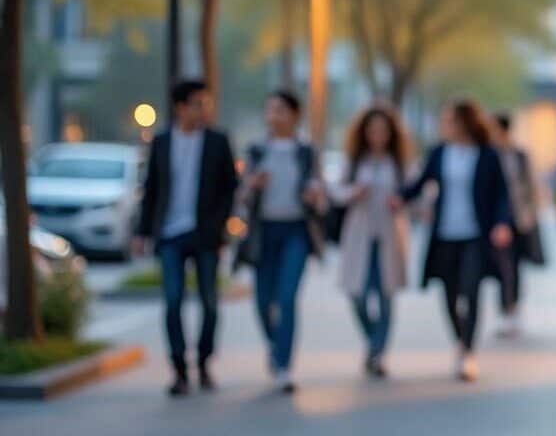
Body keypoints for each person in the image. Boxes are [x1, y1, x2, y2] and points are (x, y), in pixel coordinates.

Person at [134, 80, 239, 397]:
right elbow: (151, 189)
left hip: (205, 235)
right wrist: (142, 231)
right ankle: (179, 369)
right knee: (173, 300)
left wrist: (219, 226)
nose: (203, 109)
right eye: (197, 103)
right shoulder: (162, 141)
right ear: (180, 107)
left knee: (209, 302)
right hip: (170, 234)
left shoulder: (219, 141)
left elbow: (229, 188)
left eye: (206, 103)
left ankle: (204, 362)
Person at [401, 101, 512, 382]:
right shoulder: (440, 153)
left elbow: (502, 193)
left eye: (449, 120)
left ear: (464, 122)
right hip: (444, 235)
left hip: (475, 234)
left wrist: (501, 224)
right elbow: (420, 182)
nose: (444, 125)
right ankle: (460, 342)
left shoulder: (487, 154)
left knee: (471, 290)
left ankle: (469, 351)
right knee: (449, 294)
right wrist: (397, 197)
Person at [235, 90, 326, 394]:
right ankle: (276, 346)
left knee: (286, 298)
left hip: (296, 231)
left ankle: (284, 365)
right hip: (263, 233)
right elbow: (242, 196)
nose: (274, 116)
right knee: (262, 301)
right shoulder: (257, 151)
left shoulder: (306, 152)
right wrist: (252, 185)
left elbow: (319, 191)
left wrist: (313, 195)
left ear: (294, 115)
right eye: (270, 110)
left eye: (281, 110)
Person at [329, 105, 412, 379]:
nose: (378, 135)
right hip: (360, 235)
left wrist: (401, 201)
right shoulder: (355, 162)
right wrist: (354, 192)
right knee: (358, 296)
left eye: (383, 130)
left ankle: (377, 353)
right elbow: (336, 191)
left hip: (389, 236)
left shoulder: (398, 164)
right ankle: (373, 342)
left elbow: (417, 194)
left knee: (386, 298)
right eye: (372, 129)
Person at [493, 113, 543, 338]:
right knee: (503, 267)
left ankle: (513, 310)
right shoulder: (490, 155)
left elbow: (532, 187)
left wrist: (532, 215)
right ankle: (506, 310)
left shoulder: (520, 156)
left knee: (516, 266)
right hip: (497, 222)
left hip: (519, 220)